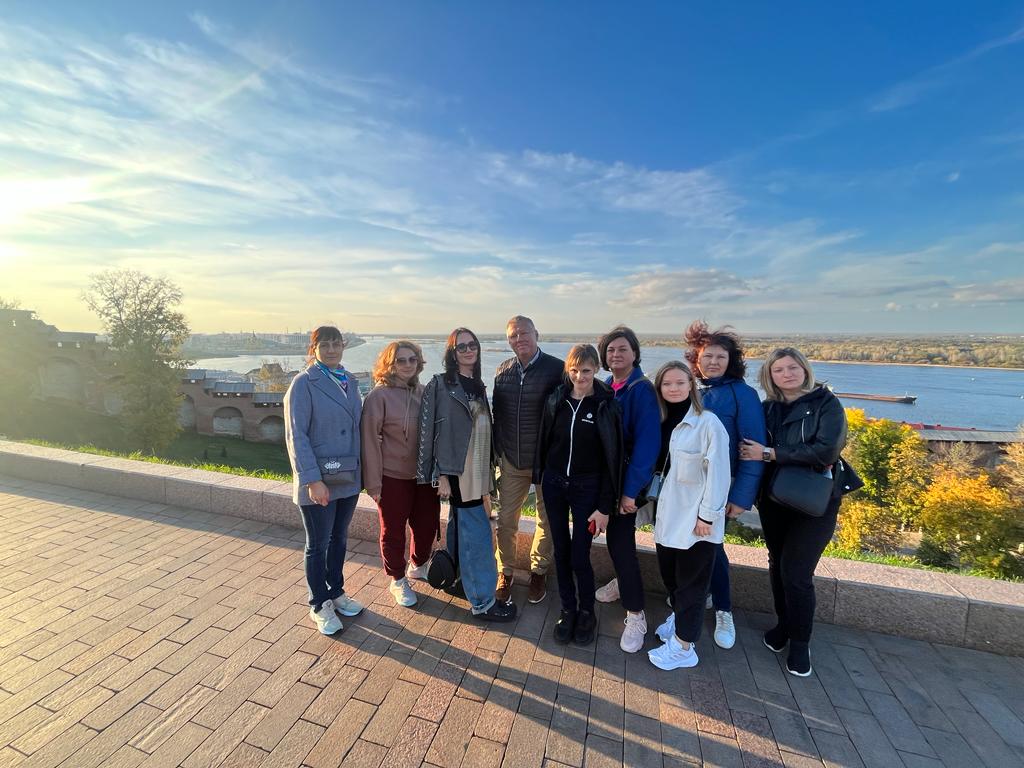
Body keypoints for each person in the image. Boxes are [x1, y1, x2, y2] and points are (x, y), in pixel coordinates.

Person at [739, 347, 848, 677]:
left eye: (792, 367)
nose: (786, 374)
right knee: (777, 563)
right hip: (775, 497)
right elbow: (748, 444)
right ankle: (784, 625)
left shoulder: (826, 403)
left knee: (797, 573)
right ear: (769, 376)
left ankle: (801, 643)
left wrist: (770, 453)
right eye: (779, 370)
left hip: (815, 500)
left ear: (804, 369)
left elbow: (826, 450)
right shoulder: (768, 408)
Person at [416, 328, 517, 622]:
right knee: (478, 535)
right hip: (459, 472)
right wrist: (440, 474)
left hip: (478, 471)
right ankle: (483, 602)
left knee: (461, 527)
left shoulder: (477, 384)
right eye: (461, 347)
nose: (468, 350)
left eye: (472, 345)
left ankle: (460, 581)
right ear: (452, 352)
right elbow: (430, 433)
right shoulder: (440, 384)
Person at [683, 321, 766, 650]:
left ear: (732, 361)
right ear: (697, 359)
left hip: (721, 486)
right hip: (688, 485)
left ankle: (724, 609)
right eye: (708, 356)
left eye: (720, 356)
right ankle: (699, 595)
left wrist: (741, 496)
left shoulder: (743, 395)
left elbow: (752, 449)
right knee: (692, 544)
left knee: (712, 546)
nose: (714, 362)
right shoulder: (693, 389)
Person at [534, 344, 623, 646]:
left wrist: (605, 505)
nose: (580, 376)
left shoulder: (605, 405)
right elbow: (545, 441)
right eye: (574, 370)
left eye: (586, 370)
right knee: (561, 550)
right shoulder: (556, 400)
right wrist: (541, 476)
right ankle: (567, 609)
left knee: (579, 554)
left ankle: (587, 611)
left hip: (588, 489)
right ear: (568, 370)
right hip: (555, 485)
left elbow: (612, 459)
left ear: (596, 369)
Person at [646, 362, 731, 670]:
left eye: (680, 382)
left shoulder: (707, 424)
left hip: (696, 520)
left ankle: (684, 647)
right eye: (667, 384)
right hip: (667, 516)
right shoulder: (659, 421)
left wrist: (707, 517)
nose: (673, 388)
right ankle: (679, 621)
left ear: (691, 385)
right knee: (672, 578)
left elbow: (719, 474)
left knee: (692, 584)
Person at [284, 326, 365, 635]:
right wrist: (312, 480)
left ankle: (336, 591)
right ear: (314, 348)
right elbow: (296, 435)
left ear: (343, 346)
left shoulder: (350, 381)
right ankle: (319, 603)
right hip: (319, 479)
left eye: (336, 344)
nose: (331, 350)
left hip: (347, 475)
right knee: (318, 544)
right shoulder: (304, 383)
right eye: (325, 345)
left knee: (339, 539)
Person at [593, 325, 660, 652]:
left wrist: (630, 492)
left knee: (621, 545)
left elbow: (647, 447)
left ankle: (636, 614)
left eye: (622, 349)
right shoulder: (609, 385)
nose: (616, 354)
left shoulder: (641, 390)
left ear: (635, 353)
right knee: (616, 542)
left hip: (625, 483)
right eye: (610, 350)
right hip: (606, 480)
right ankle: (621, 583)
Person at [492, 315, 565, 604]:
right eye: (513, 335)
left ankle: (538, 571)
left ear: (536, 334)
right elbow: (498, 415)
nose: (519, 339)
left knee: (546, 521)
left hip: (546, 462)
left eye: (524, 333)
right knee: (506, 521)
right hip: (512, 459)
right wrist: (499, 450)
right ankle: (505, 571)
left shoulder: (557, 369)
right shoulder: (502, 371)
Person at [361, 340, 439, 608]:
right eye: (400, 360)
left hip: (423, 476)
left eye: (412, 359)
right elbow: (369, 441)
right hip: (392, 476)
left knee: (427, 525)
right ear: (389, 364)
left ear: (419, 363)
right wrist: (373, 483)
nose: (407, 365)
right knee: (393, 530)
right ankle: (397, 578)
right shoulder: (378, 397)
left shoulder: (425, 392)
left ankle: (418, 564)